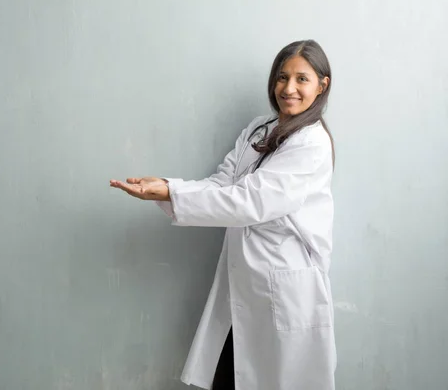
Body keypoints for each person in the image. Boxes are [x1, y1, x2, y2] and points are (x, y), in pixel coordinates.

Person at [110, 39, 336, 390]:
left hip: (283, 286)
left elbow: (248, 202)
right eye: (281, 77)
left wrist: (172, 192)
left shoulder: (312, 143)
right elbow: (221, 184)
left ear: (322, 85)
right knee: (232, 377)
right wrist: (169, 186)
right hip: (244, 285)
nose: (288, 88)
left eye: (301, 79)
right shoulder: (259, 129)